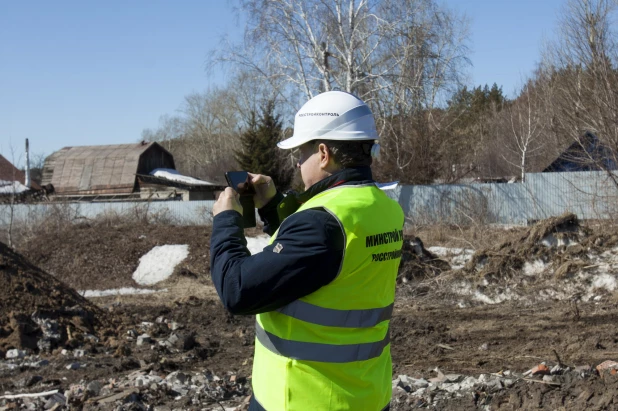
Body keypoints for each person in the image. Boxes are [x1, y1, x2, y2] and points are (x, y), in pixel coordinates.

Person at [210, 91, 404, 411]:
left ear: (324, 152)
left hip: (306, 398)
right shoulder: (382, 209)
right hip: (366, 393)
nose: (298, 162)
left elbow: (237, 289)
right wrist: (273, 208)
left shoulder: (323, 225)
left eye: (301, 152)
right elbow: (319, 262)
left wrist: (226, 221)